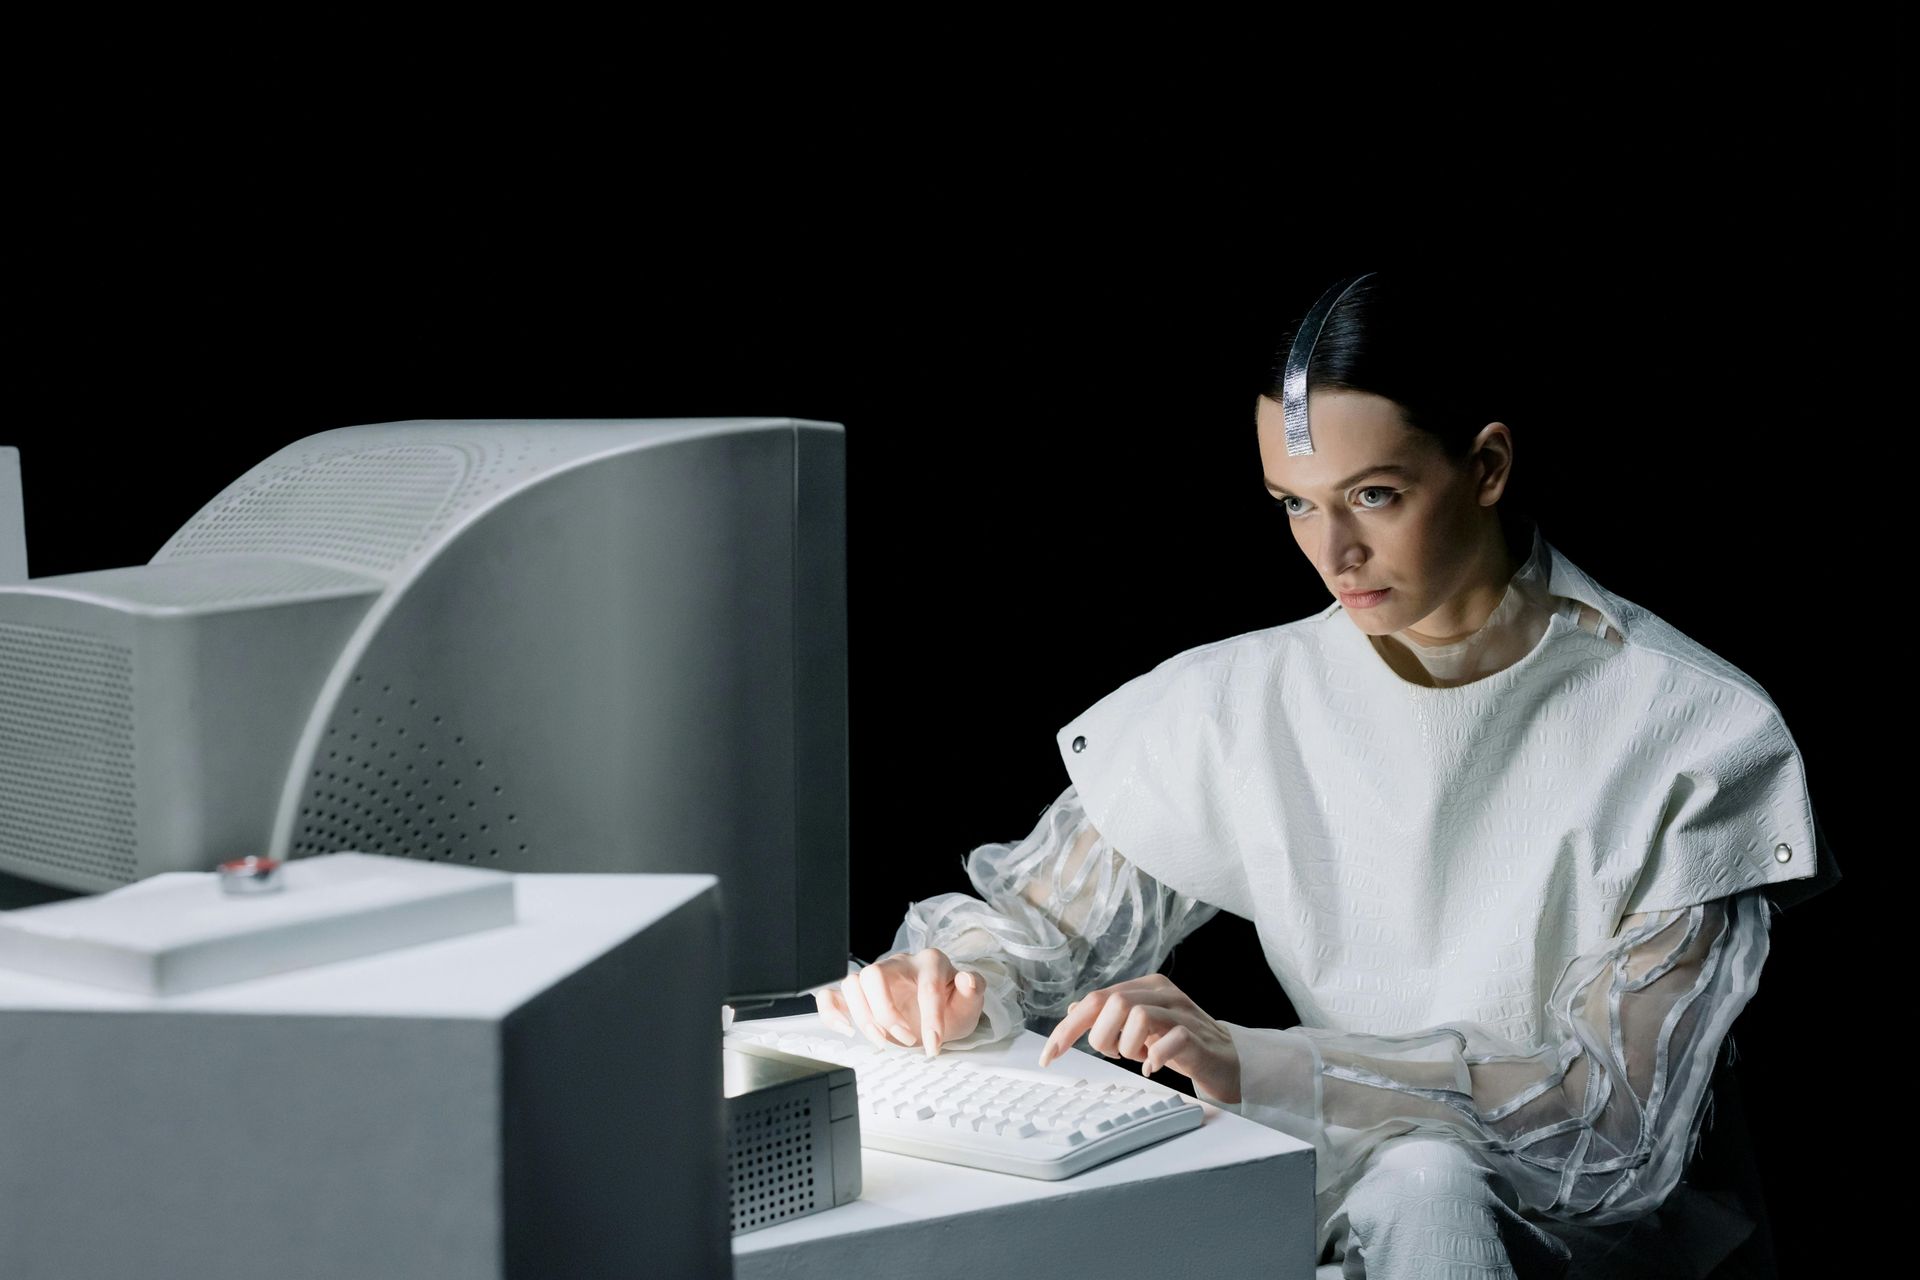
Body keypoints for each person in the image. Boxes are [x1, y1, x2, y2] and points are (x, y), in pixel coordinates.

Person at [813, 270, 1840, 1278]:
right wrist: (955, 979)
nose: (1333, 551)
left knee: (1427, 1179)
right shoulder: (1244, 700)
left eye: (1374, 496)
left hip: (1594, 1243)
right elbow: (1039, 930)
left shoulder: (1689, 726)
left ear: (1487, 467)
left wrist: (1254, 1060)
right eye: (1295, 505)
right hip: (1341, 1191)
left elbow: (1609, 1124)